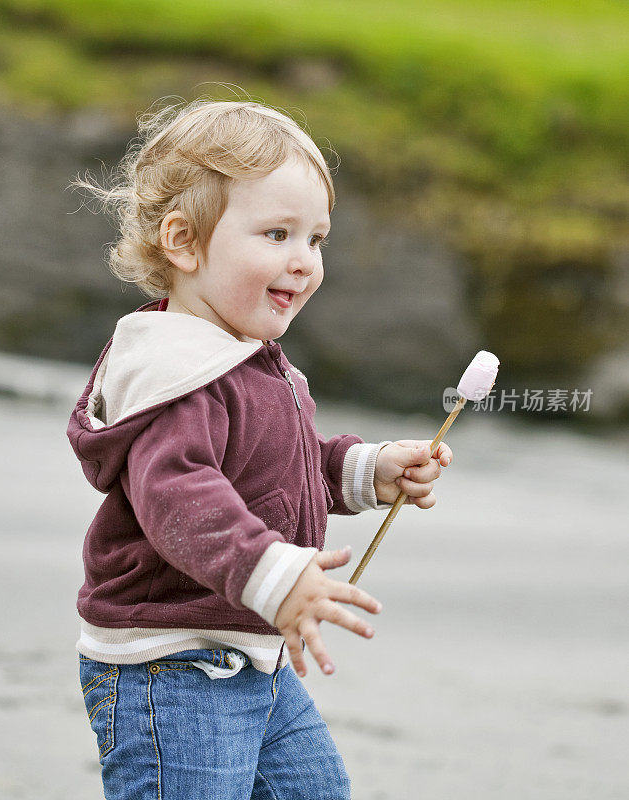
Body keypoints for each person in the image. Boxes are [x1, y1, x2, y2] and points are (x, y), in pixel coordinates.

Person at [67, 97, 453, 799]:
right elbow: (181, 497)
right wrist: (277, 577)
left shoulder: (246, 360)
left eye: (316, 239)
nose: (303, 262)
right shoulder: (176, 373)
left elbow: (281, 467)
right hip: (172, 667)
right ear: (183, 242)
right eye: (277, 234)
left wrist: (370, 471)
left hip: (252, 653)